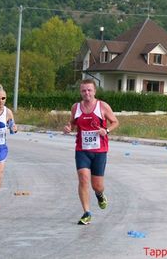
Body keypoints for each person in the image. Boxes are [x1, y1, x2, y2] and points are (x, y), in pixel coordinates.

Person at [63, 78, 119, 225]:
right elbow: (73, 123)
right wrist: (68, 127)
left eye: (89, 90)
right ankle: (86, 212)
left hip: (99, 151)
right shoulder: (76, 107)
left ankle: (100, 195)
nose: (86, 93)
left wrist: (106, 130)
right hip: (82, 149)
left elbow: (115, 122)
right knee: (83, 178)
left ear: (94, 91)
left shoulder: (102, 106)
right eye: (83, 90)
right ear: (80, 92)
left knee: (97, 185)